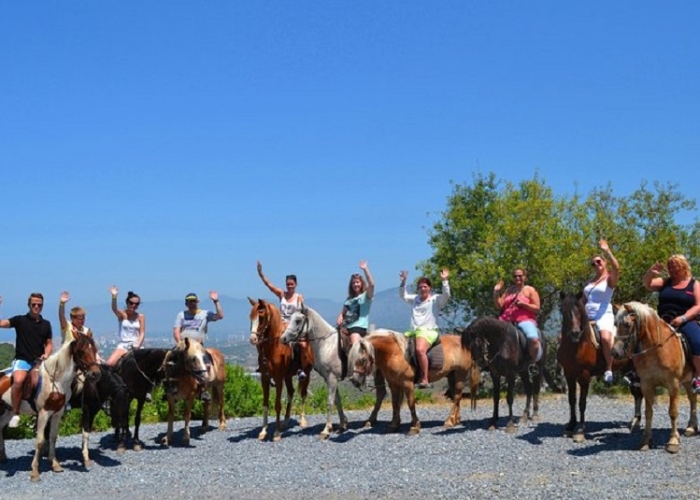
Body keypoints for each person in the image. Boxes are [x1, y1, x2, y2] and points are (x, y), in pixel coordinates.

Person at [643, 254, 700, 393]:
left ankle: (697, 376)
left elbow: (698, 306)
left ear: (683, 266)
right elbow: (647, 284)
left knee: (697, 342)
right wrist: (651, 272)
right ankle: (636, 373)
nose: (672, 270)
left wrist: (683, 318)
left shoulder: (694, 284)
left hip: (684, 321)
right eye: (670, 267)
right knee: (639, 336)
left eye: (675, 266)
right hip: (662, 321)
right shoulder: (665, 282)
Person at [0, 293, 53, 428]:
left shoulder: (46, 324)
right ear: (29, 305)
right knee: (18, 380)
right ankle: (16, 413)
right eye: (34, 304)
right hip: (22, 359)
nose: (36, 307)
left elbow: (49, 343)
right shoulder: (20, 320)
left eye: (39, 305)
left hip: (38, 361)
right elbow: (1, 324)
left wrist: (46, 354)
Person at [256, 260, 308, 380]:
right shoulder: (281, 294)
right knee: (262, 339)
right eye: (288, 284)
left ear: (295, 284)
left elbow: (301, 311)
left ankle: (300, 368)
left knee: (300, 345)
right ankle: (264, 365)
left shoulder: (299, 297)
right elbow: (269, 285)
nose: (289, 286)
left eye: (291, 284)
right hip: (280, 323)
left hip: (293, 325)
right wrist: (260, 273)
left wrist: (292, 323)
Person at [399, 268, 450, 389]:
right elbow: (403, 295)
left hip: (429, 331)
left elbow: (447, 295)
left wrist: (445, 280)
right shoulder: (415, 299)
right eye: (420, 287)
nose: (423, 289)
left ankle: (425, 378)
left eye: (425, 286)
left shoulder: (436, 300)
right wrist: (403, 282)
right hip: (413, 331)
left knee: (420, 350)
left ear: (430, 288)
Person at [173, 291, 224, 401]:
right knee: (169, 363)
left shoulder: (205, 314)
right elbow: (176, 329)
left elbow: (220, 316)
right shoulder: (181, 315)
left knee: (206, 365)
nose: (192, 304)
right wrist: (179, 342)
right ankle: (171, 388)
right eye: (190, 302)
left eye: (194, 301)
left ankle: (203, 390)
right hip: (184, 346)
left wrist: (216, 301)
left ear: (198, 302)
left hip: (198, 346)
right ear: (186, 304)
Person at [584, 239, 619, 384]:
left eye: (599, 262)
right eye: (594, 263)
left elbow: (617, 268)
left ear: (604, 263)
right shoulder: (590, 282)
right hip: (588, 314)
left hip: (603, 314)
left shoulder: (609, 279)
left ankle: (609, 369)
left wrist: (607, 251)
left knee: (605, 338)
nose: (596, 265)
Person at [493, 268, 542, 371]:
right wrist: (496, 292)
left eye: (520, 275)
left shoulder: (530, 290)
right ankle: (489, 362)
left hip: (525, 320)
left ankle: (533, 363)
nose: (517, 278)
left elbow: (537, 309)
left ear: (525, 277)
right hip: (506, 321)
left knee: (533, 340)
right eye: (515, 276)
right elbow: (499, 306)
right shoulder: (509, 290)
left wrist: (524, 304)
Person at [336, 260, 375, 351]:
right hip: (345, 327)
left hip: (358, 328)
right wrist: (340, 316)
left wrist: (365, 269)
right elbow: (343, 313)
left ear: (361, 283)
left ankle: (355, 364)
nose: (355, 284)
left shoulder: (366, 296)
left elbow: (372, 284)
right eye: (353, 283)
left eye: (357, 282)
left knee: (354, 347)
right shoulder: (349, 299)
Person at [106, 286, 145, 366]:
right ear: (127, 303)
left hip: (136, 345)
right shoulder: (122, 315)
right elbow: (114, 309)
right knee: (109, 364)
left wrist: (138, 345)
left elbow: (142, 333)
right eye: (131, 303)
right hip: (124, 345)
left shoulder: (140, 317)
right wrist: (114, 297)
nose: (134, 305)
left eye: (136, 304)